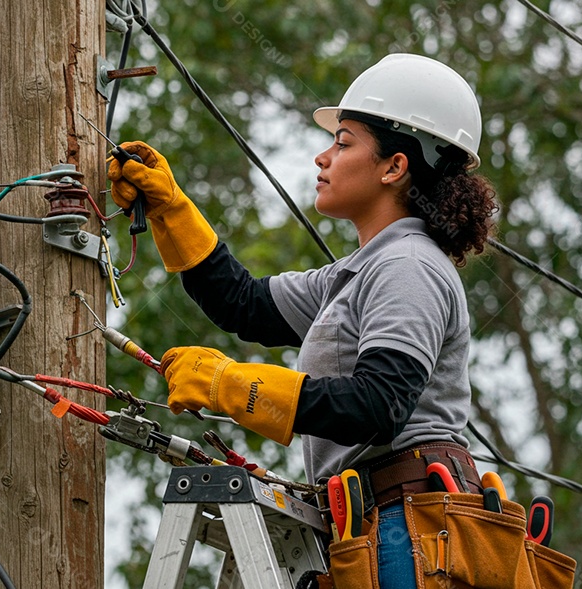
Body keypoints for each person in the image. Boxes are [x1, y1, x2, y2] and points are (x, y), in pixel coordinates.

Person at [108, 53, 499, 588]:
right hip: (374, 524)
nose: (322, 158)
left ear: (394, 166)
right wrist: (169, 208)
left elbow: (378, 404)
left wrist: (232, 385)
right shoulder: (356, 275)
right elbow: (243, 304)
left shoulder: (409, 266)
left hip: (409, 530)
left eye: (343, 142)